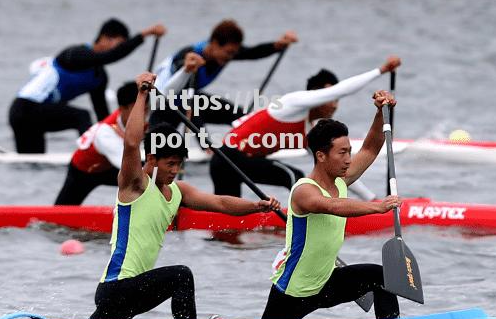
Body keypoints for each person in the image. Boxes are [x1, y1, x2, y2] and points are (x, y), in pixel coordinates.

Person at [85, 72, 280, 319]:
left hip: (133, 291)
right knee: (181, 275)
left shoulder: (179, 192)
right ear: (152, 159)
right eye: (170, 163)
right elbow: (132, 144)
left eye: (179, 164)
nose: (175, 170)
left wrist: (256, 206)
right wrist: (142, 94)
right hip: (117, 287)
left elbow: (220, 203)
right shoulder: (135, 184)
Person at [260, 92, 402, 319]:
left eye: (349, 152)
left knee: (381, 276)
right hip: (294, 290)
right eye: (342, 153)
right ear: (321, 156)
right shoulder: (303, 191)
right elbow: (332, 206)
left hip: (326, 282)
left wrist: (382, 112)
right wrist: (377, 208)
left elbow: (371, 148)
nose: (348, 159)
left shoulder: (340, 180)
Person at [210, 55, 401, 196]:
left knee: (230, 224)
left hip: (231, 162)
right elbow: (341, 90)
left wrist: (371, 199)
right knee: (295, 176)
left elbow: (334, 169)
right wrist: (380, 71)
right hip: (228, 156)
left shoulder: (312, 131)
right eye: (330, 98)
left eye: (336, 100)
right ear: (316, 95)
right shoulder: (293, 103)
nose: (334, 104)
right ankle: (303, 218)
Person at [54, 52, 206, 205]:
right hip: (84, 172)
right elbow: (130, 170)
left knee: (154, 178)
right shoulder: (106, 133)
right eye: (138, 108)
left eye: (145, 108)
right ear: (123, 108)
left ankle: (165, 206)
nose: (143, 113)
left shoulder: (143, 108)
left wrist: (186, 70)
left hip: (113, 166)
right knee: (60, 210)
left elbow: (167, 91)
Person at [8, 18, 165, 153]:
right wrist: (146, 34)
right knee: (81, 116)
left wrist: (122, 137)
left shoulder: (99, 78)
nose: (118, 50)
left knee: (34, 163)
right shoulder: (75, 54)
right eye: (119, 45)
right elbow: (112, 56)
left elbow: (102, 117)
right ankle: (90, 155)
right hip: (23, 109)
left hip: (40, 117)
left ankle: (97, 155)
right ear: (104, 38)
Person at [151, 19, 298, 127]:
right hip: (162, 106)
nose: (230, 57)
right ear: (214, 43)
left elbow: (253, 52)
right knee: (167, 143)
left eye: (234, 53)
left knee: (240, 116)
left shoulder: (225, 52)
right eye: (228, 53)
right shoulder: (189, 58)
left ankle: (248, 145)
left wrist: (277, 46)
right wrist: (204, 141)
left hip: (191, 102)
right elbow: (187, 105)